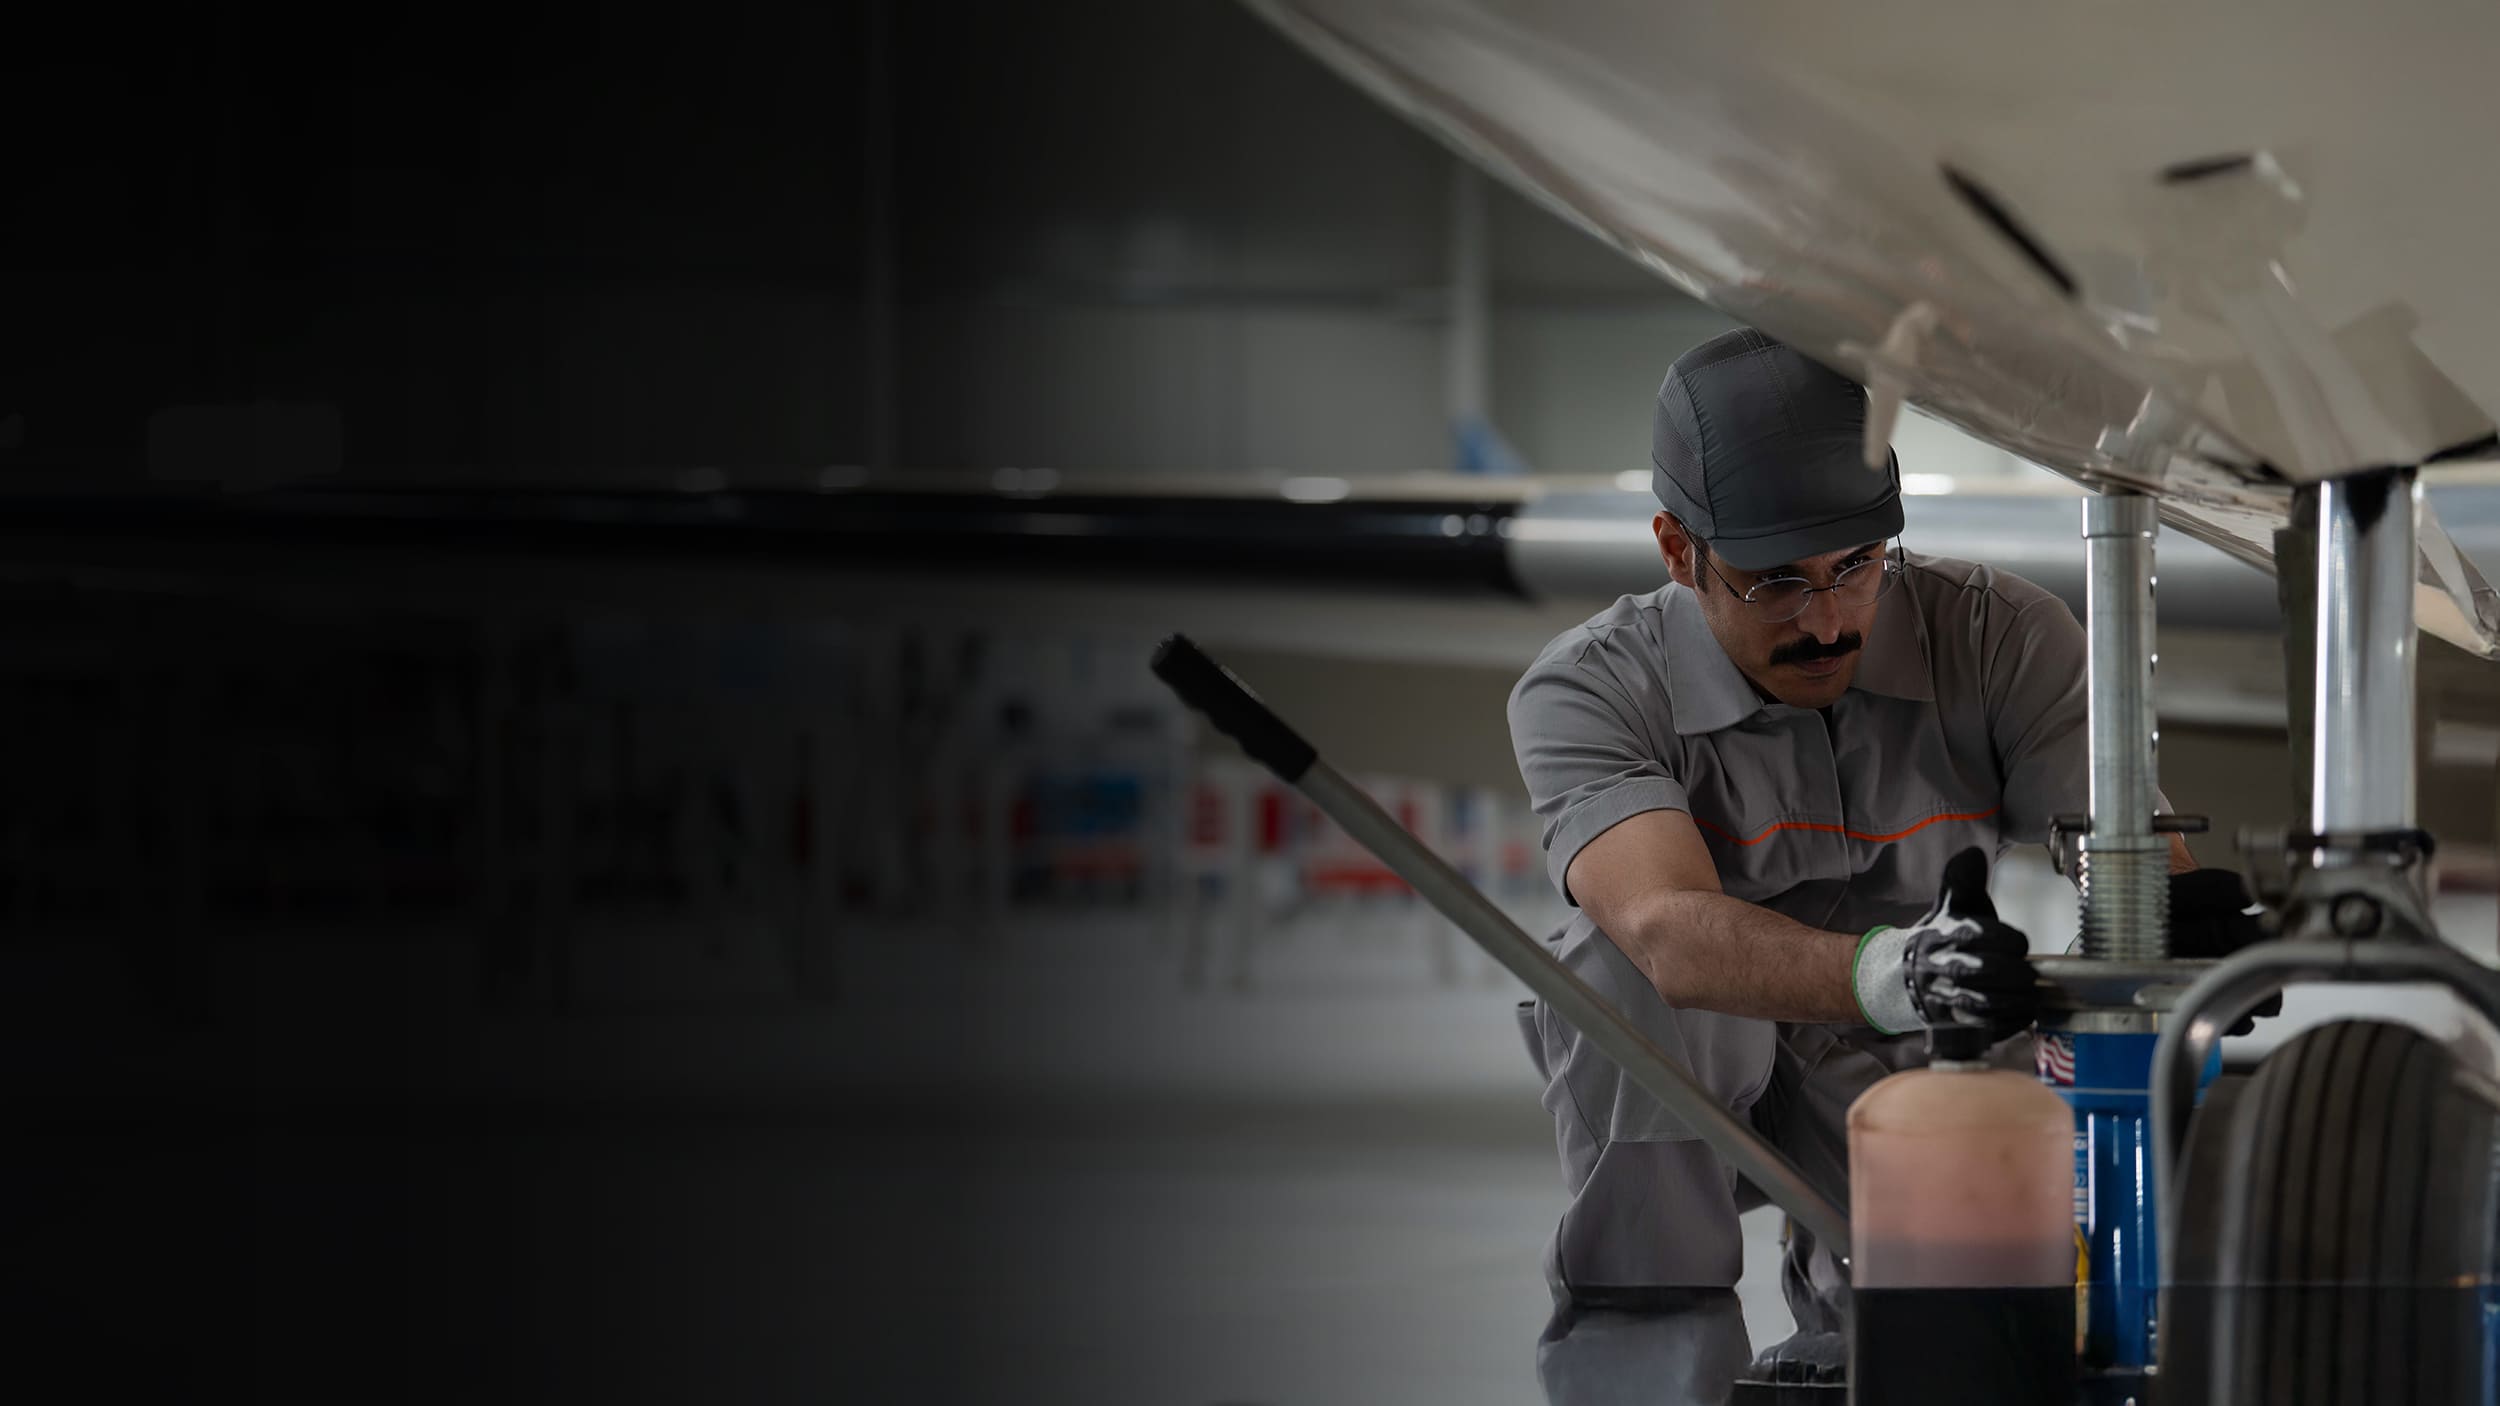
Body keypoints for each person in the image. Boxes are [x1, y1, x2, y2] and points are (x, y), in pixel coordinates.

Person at [1506, 327, 2264, 1404]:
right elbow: (1665, 925)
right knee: (1614, 971)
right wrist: (1892, 971)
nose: (1826, 618)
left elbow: (2117, 845)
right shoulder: (1585, 687)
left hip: (1910, 1038)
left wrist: (2168, 914)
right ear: (1679, 551)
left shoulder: (1997, 635)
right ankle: (1650, 1358)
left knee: (1949, 1335)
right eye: (1776, 583)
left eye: (1857, 566)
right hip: (1696, 1070)